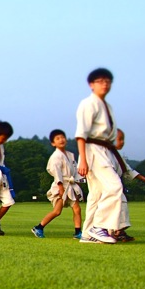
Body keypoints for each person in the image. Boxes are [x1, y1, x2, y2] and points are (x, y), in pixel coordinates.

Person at [75, 68, 125, 244]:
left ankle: (88, 233)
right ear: (91, 85)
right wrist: (83, 160)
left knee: (96, 194)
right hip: (93, 150)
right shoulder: (88, 104)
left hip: (104, 149)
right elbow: (81, 134)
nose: (105, 84)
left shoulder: (106, 105)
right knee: (115, 187)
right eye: (100, 81)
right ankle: (100, 226)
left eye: (107, 81)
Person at [31, 129, 84, 238]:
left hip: (70, 186)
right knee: (57, 211)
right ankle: (39, 227)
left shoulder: (70, 155)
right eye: (58, 138)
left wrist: (80, 180)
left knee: (77, 208)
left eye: (62, 137)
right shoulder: (56, 157)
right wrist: (60, 187)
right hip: (61, 186)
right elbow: (56, 172)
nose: (61, 140)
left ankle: (78, 232)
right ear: (53, 143)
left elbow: (76, 169)